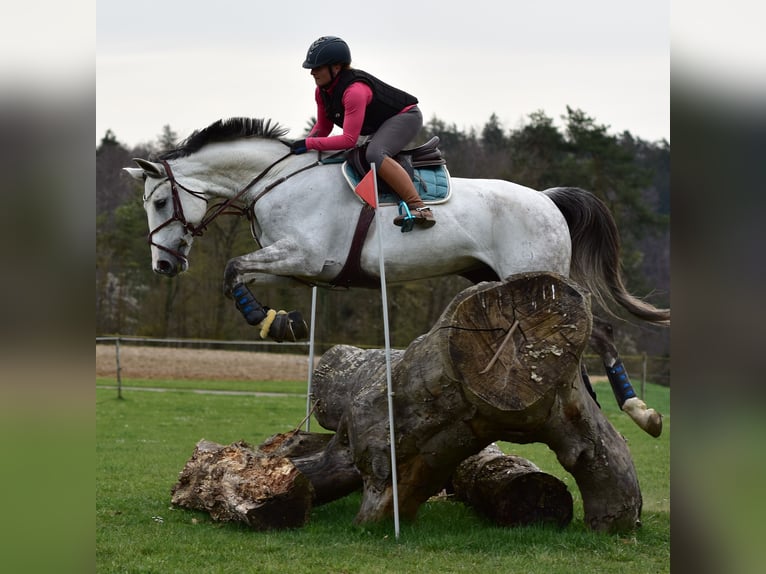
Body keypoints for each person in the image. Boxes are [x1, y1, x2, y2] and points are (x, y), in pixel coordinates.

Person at [290, 36, 435, 228]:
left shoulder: (354, 91)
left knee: (374, 154)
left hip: (406, 117)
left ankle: (420, 208)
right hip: (379, 125)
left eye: (317, 67)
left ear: (336, 67)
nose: (312, 73)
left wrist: (308, 143)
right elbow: (323, 128)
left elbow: (349, 139)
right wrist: (302, 146)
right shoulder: (322, 91)